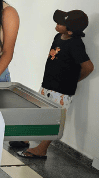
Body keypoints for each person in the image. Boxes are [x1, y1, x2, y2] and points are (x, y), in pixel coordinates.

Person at [14, 10, 94, 159]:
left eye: (60, 23)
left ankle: (42, 148)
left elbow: (88, 67)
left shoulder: (76, 44)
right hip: (48, 84)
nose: (56, 25)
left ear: (70, 30)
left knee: (54, 118)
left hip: (62, 91)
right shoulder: (58, 37)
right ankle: (27, 138)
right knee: (40, 111)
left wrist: (72, 80)